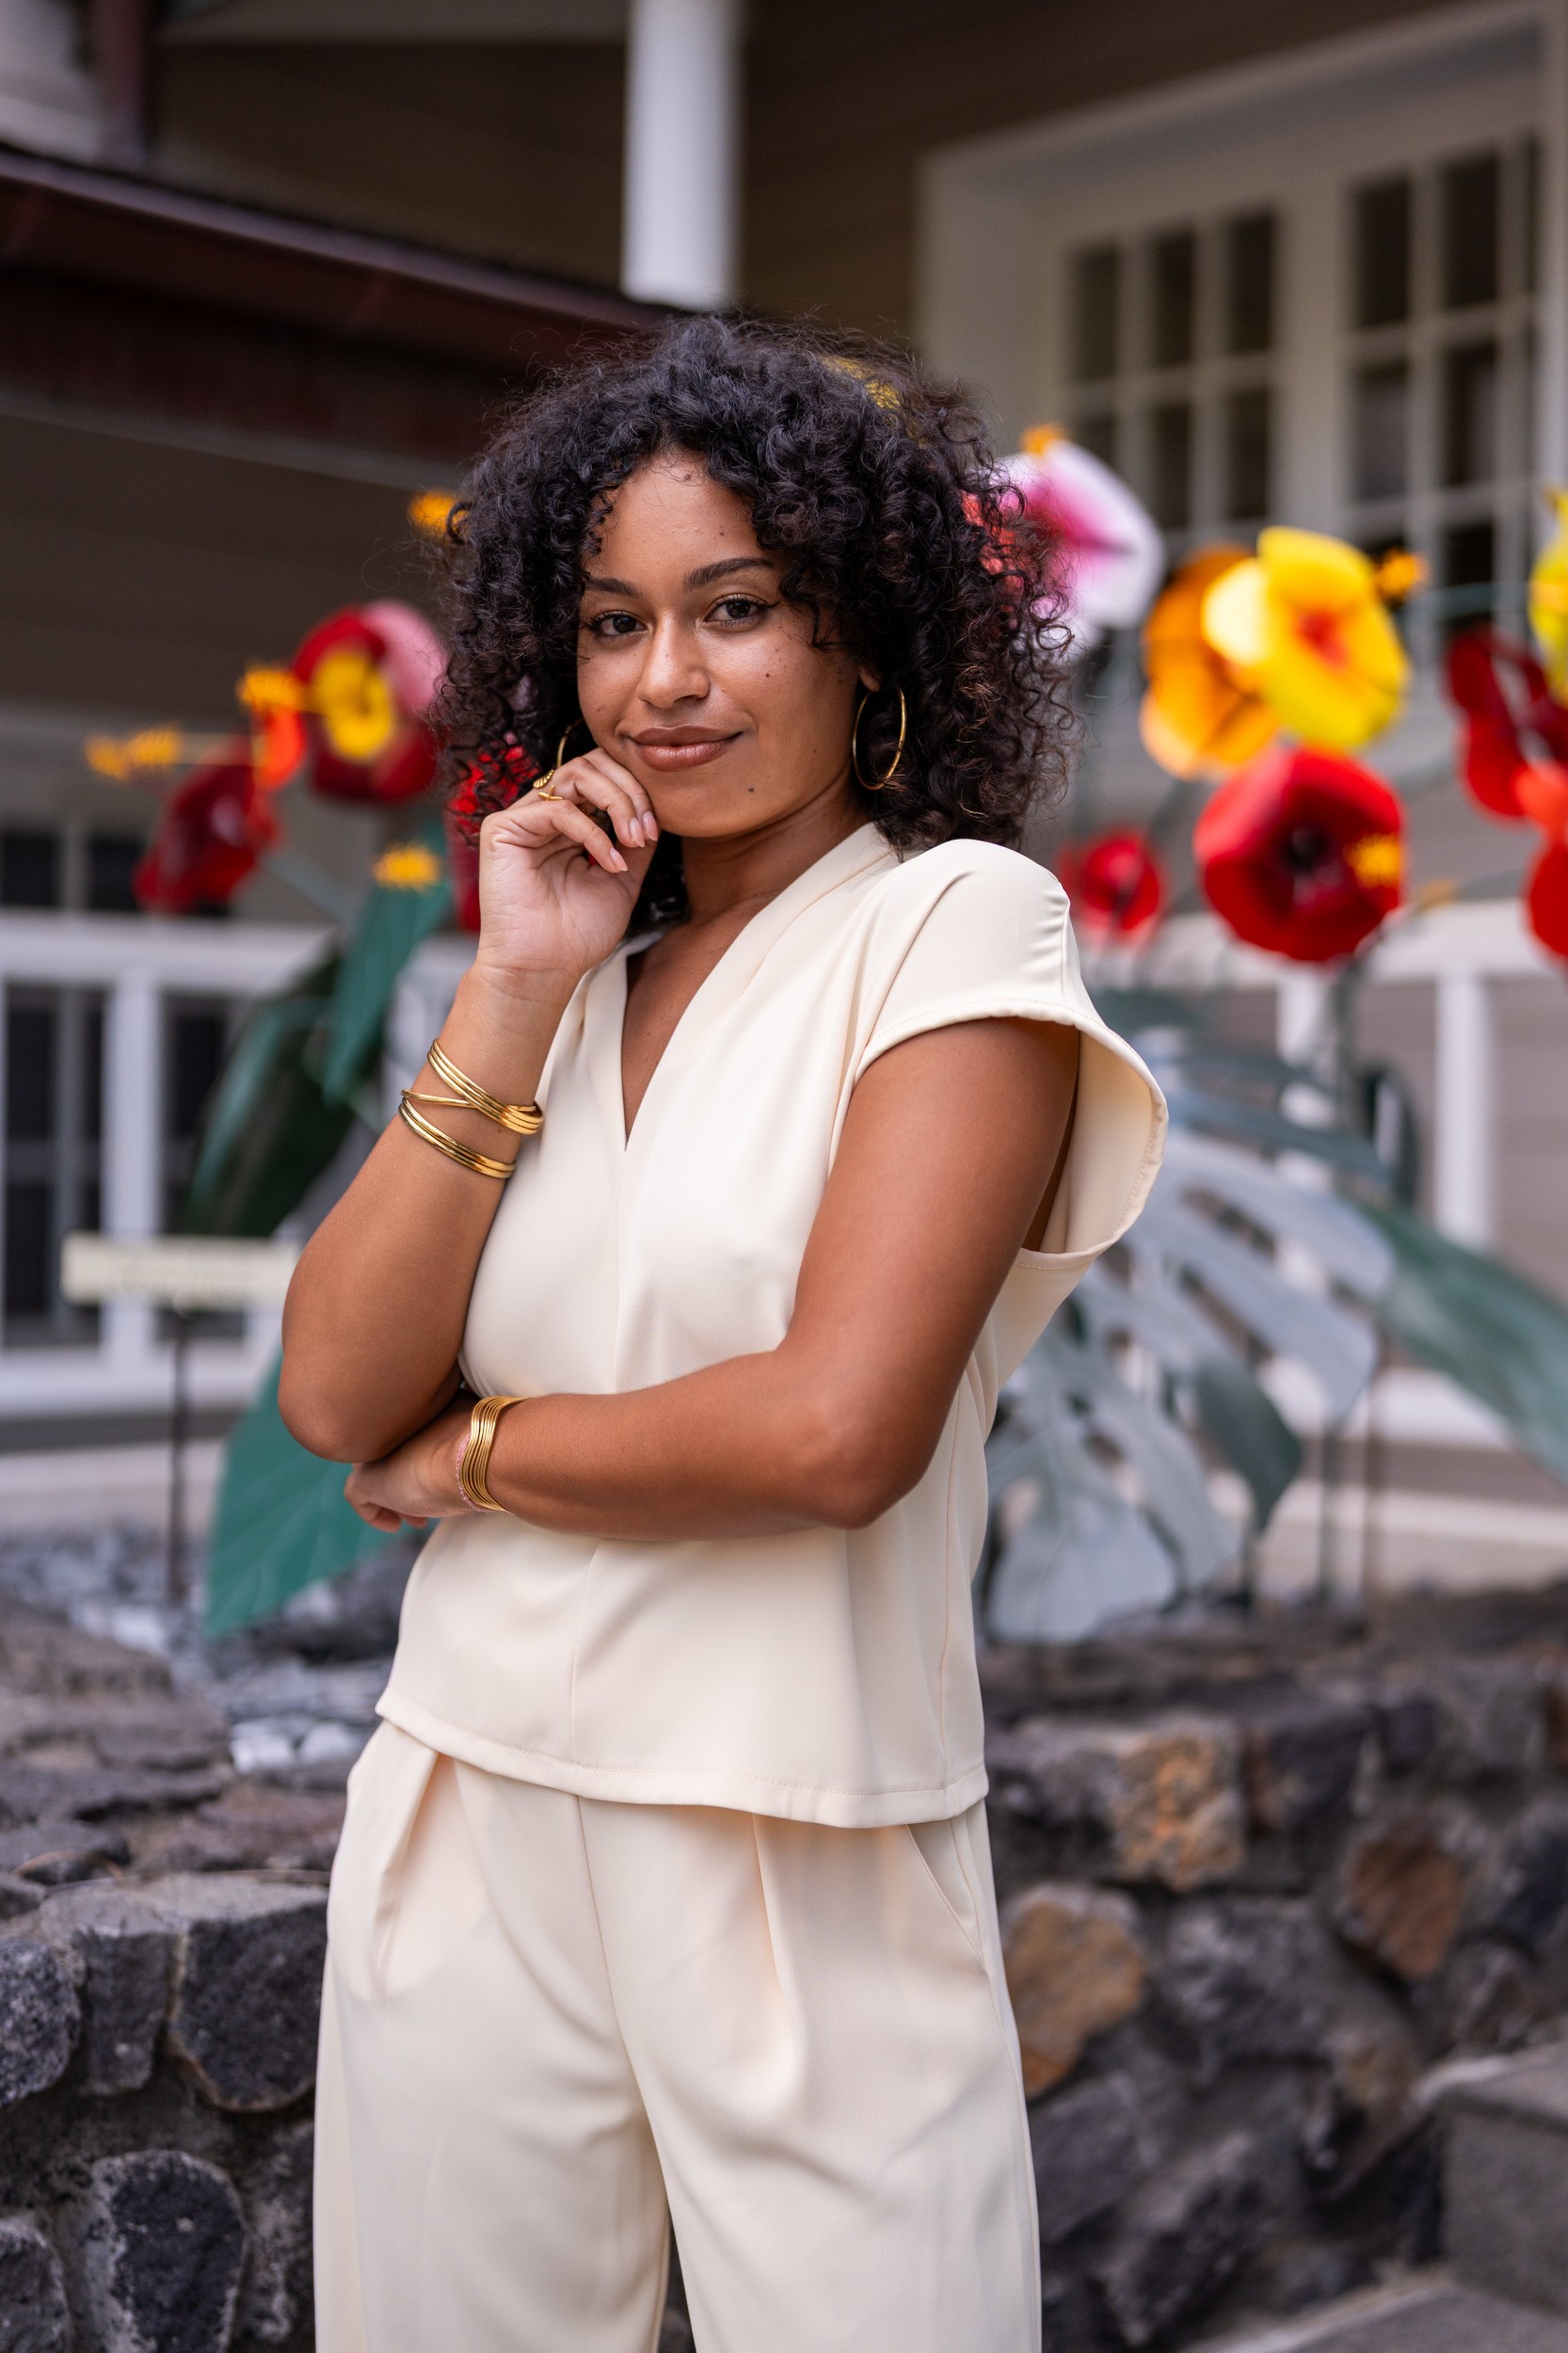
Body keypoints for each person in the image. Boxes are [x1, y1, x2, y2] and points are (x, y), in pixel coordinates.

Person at [280, 317, 1165, 2353]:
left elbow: (832, 1428)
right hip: (465, 1806)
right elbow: (335, 1386)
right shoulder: (570, 968)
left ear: (864, 637)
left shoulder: (952, 928)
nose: (662, 681)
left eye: (734, 609)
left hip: (803, 1838)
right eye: (610, 623)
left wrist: (477, 1459)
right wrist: (509, 991)